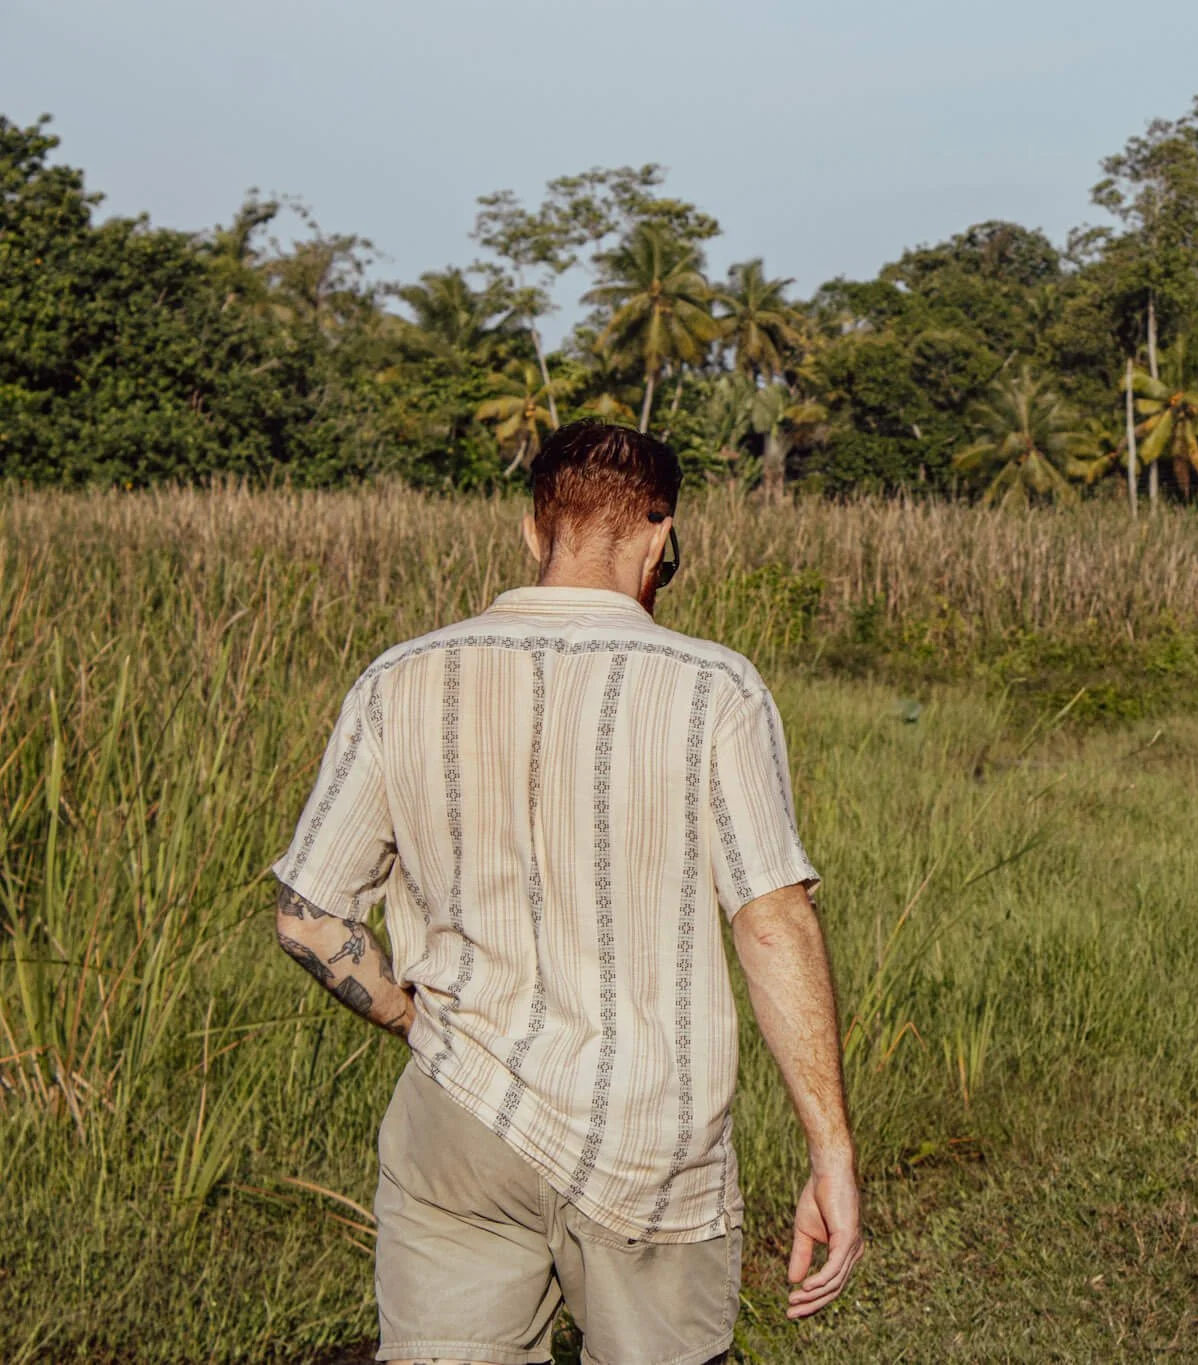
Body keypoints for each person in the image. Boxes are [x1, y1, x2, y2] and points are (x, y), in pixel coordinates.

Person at [270, 420, 860, 1365]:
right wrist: (830, 1150)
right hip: (650, 1142)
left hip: (459, 1121)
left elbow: (306, 915)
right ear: (660, 540)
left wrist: (409, 1018)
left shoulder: (400, 679)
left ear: (530, 531)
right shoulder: (714, 689)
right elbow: (773, 921)